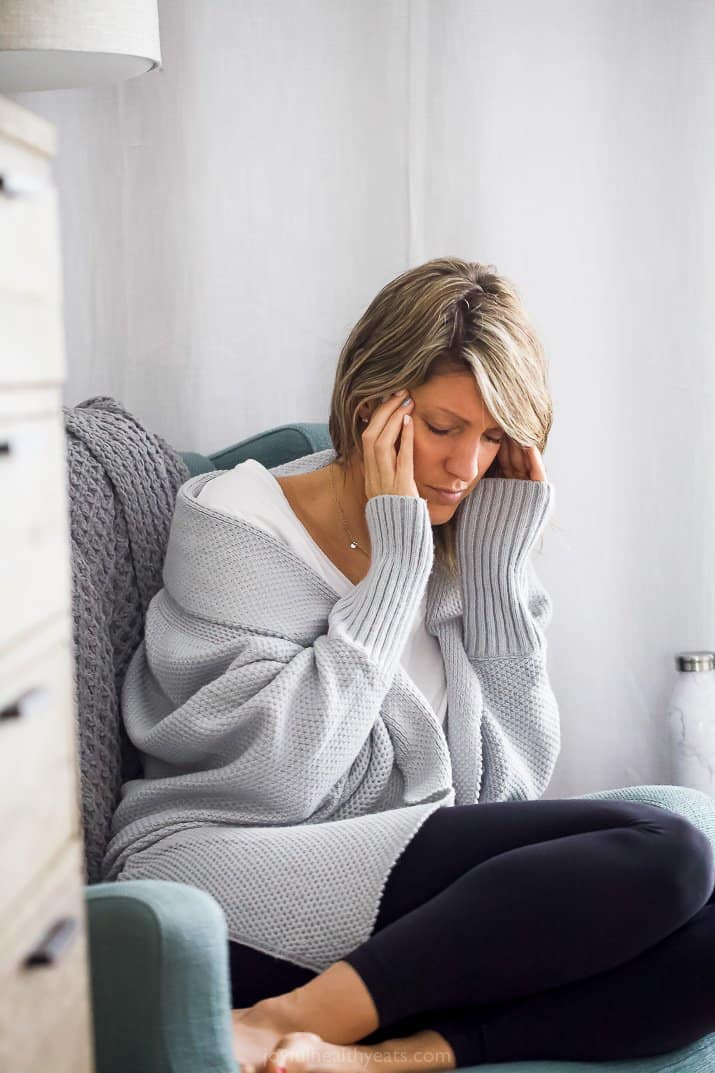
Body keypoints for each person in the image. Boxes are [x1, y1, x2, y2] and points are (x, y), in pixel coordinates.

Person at [103, 258, 715, 1073]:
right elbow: (278, 779)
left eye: (493, 436)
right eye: (442, 425)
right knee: (667, 850)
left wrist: (496, 578)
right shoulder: (237, 523)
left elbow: (505, 790)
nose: (465, 467)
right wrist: (393, 572)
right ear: (371, 407)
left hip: (399, 903)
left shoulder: (467, 542)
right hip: (223, 864)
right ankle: (280, 1017)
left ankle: (383, 1056)